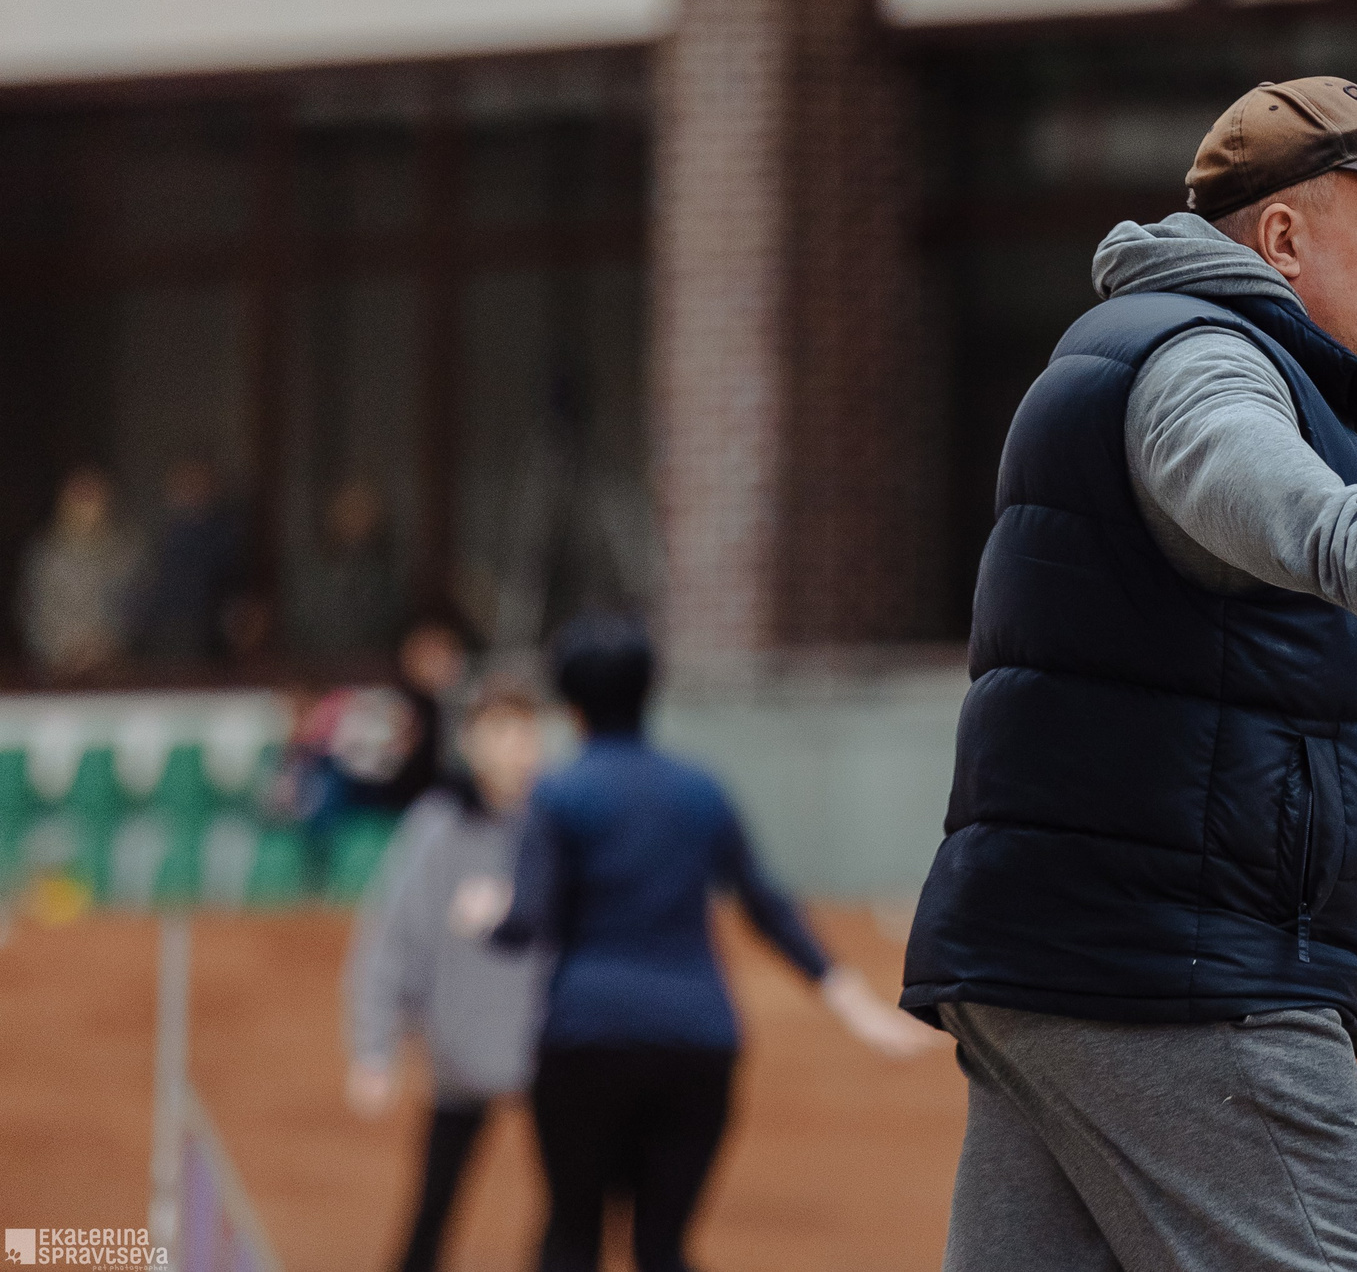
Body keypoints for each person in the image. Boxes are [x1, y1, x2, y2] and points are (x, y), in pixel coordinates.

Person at [902, 76, 1357, 1272]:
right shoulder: (1200, 354)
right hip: (1180, 977)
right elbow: (1222, 458)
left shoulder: (1144, 347)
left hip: (1058, 963)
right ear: (1281, 238)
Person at [482, 612, 932, 1272]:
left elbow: (525, 923)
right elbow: (765, 905)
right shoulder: (700, 791)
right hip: (698, 1042)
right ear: (649, 693)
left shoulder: (557, 794)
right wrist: (853, 1002)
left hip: (584, 1040)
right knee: (663, 1248)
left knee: (571, 1239)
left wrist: (485, 915)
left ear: (570, 706)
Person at [343, 675, 551, 1272]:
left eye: (526, 731)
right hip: (460, 1051)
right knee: (433, 1209)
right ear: (469, 742)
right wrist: (374, 1049)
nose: (517, 746)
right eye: (501, 730)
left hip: (551, 1050)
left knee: (570, 1217)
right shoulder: (435, 830)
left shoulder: (559, 826)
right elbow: (392, 942)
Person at [17, 465, 142, 678]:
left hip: (113, 668)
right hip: (56, 670)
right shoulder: (44, 554)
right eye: (78, 496)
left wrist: (104, 647)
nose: (86, 506)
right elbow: (32, 609)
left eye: (92, 496)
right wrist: (63, 652)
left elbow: (135, 606)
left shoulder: (126, 552)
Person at [129, 456, 249, 664]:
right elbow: (138, 594)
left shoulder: (227, 537)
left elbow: (237, 600)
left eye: (197, 483)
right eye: (183, 484)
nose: (190, 492)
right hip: (155, 644)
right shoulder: (153, 536)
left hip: (208, 646)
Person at [292, 477, 404, 658]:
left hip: (368, 669)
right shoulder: (309, 571)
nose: (355, 519)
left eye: (362, 511)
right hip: (312, 665)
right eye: (349, 509)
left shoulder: (385, 575)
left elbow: (389, 626)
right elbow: (300, 623)